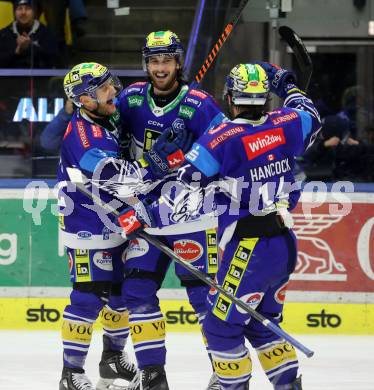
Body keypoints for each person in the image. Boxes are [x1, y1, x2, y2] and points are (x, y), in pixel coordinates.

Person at [117, 62, 322, 389]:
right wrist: (286, 82)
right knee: (260, 325)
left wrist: (142, 215)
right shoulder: (288, 122)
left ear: (230, 97)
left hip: (248, 248)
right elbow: (308, 110)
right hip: (284, 244)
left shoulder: (221, 138)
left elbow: (181, 195)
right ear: (266, 98)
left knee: (219, 328)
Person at [58, 61, 191, 390]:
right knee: (88, 297)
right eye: (103, 88)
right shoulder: (85, 139)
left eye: (110, 83)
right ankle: (70, 374)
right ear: (85, 100)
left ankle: (113, 360)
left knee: (119, 296)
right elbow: (122, 180)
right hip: (87, 223)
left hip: (116, 218)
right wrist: (161, 160)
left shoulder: (106, 118)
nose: (113, 90)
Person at [116, 30, 226, 390]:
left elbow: (225, 150)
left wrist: (184, 159)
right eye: (153, 60)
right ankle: (152, 374)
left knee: (203, 296)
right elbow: (104, 130)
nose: (160, 67)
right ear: (146, 63)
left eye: (166, 60)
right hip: (145, 213)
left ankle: (225, 371)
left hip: (189, 215)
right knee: (136, 292)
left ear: (178, 62)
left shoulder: (200, 104)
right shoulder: (130, 99)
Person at [0, 0, 58, 68]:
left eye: (27, 8)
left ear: (34, 12)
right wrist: (16, 51)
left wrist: (30, 47)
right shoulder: (3, 34)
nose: (23, 12)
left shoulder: (46, 33)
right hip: (8, 78)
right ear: (14, 12)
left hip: (40, 78)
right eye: (19, 9)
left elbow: (55, 63)